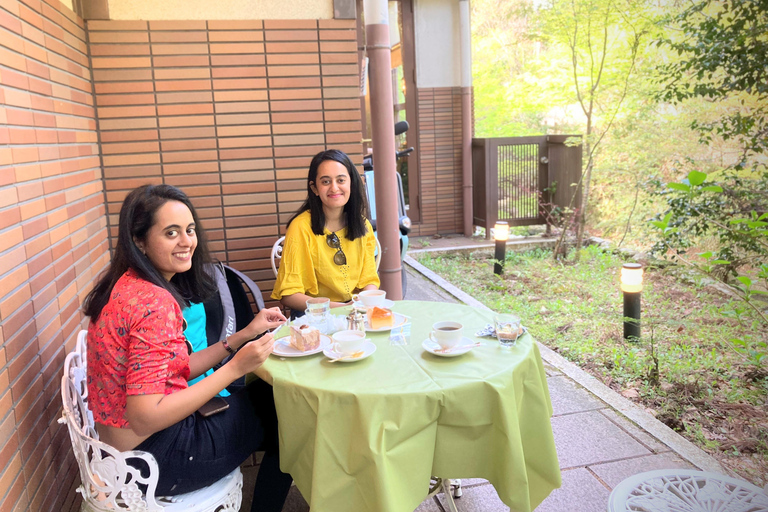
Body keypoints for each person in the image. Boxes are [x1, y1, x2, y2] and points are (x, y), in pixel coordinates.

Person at [83, 184, 292, 510]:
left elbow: (171, 370)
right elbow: (145, 417)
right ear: (140, 240)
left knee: (273, 404)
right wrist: (237, 367)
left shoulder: (126, 284)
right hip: (154, 460)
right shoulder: (153, 303)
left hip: (124, 451)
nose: (186, 241)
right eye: (171, 233)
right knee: (287, 417)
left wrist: (240, 337)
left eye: (190, 230)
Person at [271, 149, 380, 313]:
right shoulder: (300, 227)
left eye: (341, 180)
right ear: (314, 188)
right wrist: (340, 308)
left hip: (355, 312)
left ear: (351, 183)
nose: (334, 188)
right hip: (314, 316)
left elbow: (369, 281)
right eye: (326, 182)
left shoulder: (363, 225)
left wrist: (362, 305)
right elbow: (289, 294)